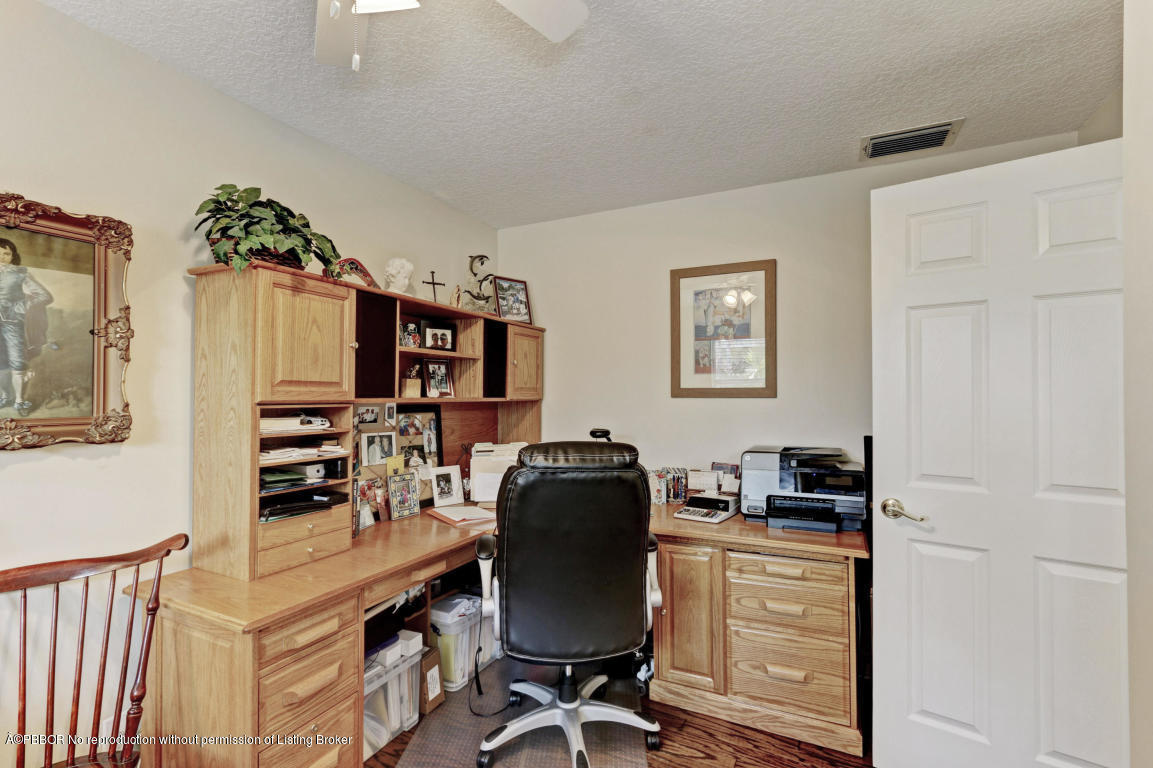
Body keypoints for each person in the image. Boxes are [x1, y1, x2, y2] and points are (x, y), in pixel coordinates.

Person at [0, 238, 53, 417]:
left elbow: (44, 296)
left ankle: (19, 401)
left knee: (17, 362)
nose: (1, 257)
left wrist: (20, 307)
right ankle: (5, 396)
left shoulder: (21, 273)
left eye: (6, 253)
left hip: (13, 324)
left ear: (13, 256)